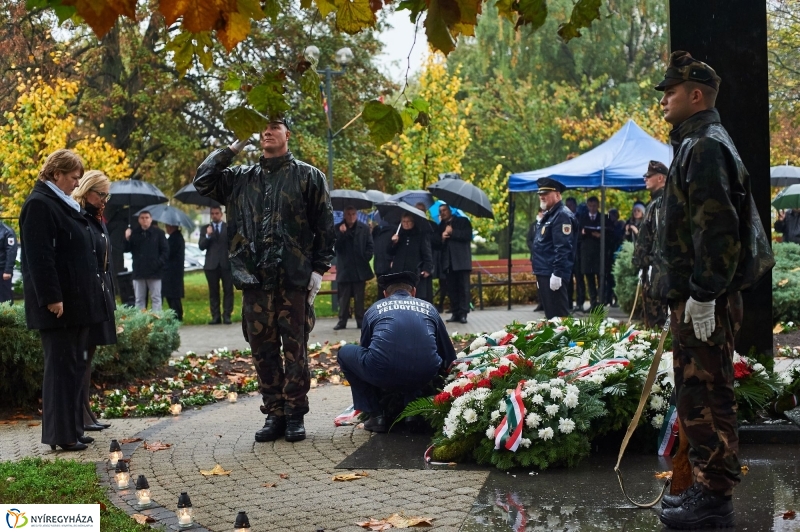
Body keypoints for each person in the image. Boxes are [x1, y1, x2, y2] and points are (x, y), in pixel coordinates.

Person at [653, 51, 767, 529]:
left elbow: (716, 231)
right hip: (699, 297)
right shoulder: (697, 143)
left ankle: (715, 498)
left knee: (707, 395)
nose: (663, 102)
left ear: (695, 96)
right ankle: (707, 488)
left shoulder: (704, 147)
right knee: (697, 393)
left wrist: (703, 294)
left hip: (707, 299)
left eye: (671, 93)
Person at [194, 115, 334, 443]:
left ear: (288, 133)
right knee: (262, 350)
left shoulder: (308, 176)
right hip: (254, 279)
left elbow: (324, 226)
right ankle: (274, 412)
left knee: (295, 349)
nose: (268, 132)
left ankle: (295, 413)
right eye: (263, 128)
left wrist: (317, 269)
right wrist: (232, 147)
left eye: (275, 126)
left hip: (293, 278)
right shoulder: (241, 178)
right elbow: (203, 180)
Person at [20, 149, 109, 451]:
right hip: (58, 308)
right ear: (56, 174)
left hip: (77, 306)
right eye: (73, 177)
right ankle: (61, 435)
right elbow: (39, 257)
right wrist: (52, 297)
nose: (76, 183)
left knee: (73, 368)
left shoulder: (62, 204)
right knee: (60, 371)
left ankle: (74, 428)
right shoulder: (39, 205)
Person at [337, 271, 457, 432]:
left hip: (382, 373)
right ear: (413, 292)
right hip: (424, 373)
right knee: (417, 354)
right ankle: (413, 411)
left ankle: (375, 415)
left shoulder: (374, 309)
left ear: (385, 294)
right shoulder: (429, 308)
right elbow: (448, 354)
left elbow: (366, 348)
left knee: (345, 353)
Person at [71, 170, 116, 432]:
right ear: (87, 190)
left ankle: (85, 409)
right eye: (101, 194)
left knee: (89, 355)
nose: (104, 200)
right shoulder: (79, 217)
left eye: (106, 195)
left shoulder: (97, 219)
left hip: (100, 294)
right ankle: (80, 412)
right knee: (82, 356)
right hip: (87, 295)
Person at [531, 178, 578, 318]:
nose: (541, 196)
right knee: (552, 317)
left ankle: (565, 340)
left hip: (553, 273)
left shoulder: (561, 215)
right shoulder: (551, 214)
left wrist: (557, 273)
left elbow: (563, 248)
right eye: (540, 193)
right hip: (545, 272)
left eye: (546, 193)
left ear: (557, 195)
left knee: (559, 317)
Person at [632, 161, 669, 329]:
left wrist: (650, 262)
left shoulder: (662, 203)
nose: (645, 179)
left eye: (649, 176)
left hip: (657, 272)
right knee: (650, 320)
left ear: (660, 178)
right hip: (650, 269)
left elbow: (659, 239)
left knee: (657, 322)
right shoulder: (654, 202)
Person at [333, 206, 374, 330]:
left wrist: (365, 257)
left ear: (356, 215)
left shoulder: (364, 228)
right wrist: (341, 234)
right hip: (345, 268)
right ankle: (342, 321)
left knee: (359, 297)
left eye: (353, 214)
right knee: (344, 298)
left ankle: (360, 321)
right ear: (344, 215)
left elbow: (370, 246)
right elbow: (335, 247)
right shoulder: (338, 228)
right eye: (348, 214)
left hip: (359, 268)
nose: (351, 216)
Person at [434, 204, 472, 323]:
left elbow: (467, 236)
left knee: (463, 288)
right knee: (451, 289)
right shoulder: (441, 226)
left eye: (445, 210)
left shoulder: (463, 221)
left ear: (450, 211)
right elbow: (436, 244)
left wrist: (452, 232)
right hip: (448, 263)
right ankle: (455, 312)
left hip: (461, 262)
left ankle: (463, 313)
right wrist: (442, 238)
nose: (443, 213)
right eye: (441, 211)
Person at [124, 211, 169, 311]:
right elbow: (127, 249)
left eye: (147, 217)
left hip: (155, 271)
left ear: (151, 219)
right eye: (142, 218)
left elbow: (165, 251)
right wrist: (127, 238)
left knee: (156, 298)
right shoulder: (135, 233)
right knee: (139, 299)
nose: (144, 220)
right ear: (139, 220)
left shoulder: (158, 233)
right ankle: (141, 322)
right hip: (139, 271)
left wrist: (158, 263)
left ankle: (156, 321)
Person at [199, 206, 233, 324]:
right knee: (213, 292)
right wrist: (208, 236)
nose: (214, 215)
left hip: (226, 264)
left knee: (228, 290)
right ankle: (216, 316)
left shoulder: (228, 227)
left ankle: (227, 315)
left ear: (221, 214)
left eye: (216, 213)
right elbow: (201, 246)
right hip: (211, 265)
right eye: (212, 213)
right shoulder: (206, 228)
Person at [388, 213, 433, 301]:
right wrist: (393, 242)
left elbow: (427, 253)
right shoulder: (398, 234)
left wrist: (427, 268)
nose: (406, 223)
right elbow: (389, 252)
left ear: (413, 222)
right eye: (404, 221)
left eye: (408, 221)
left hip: (414, 270)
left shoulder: (420, 235)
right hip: (399, 270)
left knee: (414, 295)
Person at [577, 196, 605, 310]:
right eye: (590, 206)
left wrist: (596, 234)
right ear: (587, 206)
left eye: (594, 206)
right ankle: (593, 304)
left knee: (601, 279)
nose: (592, 208)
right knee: (590, 280)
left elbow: (608, 234)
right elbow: (577, 235)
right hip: (587, 255)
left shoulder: (603, 217)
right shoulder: (582, 218)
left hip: (599, 255)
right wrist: (587, 234)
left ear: (598, 205)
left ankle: (601, 303)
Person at [163, 224, 185, 321]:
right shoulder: (176, 237)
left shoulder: (175, 239)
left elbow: (168, 252)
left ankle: (177, 317)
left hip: (173, 273)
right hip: (174, 272)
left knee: (173, 297)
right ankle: (176, 316)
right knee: (173, 297)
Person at [371, 218, 395, 301]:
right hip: (378, 263)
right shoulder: (376, 230)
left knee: (390, 288)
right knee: (381, 289)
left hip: (389, 263)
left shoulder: (394, 229)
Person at [0, 220, 17, 304]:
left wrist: (8, 271)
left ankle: (8, 316)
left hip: (2, 271)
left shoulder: (7, 231)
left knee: (5, 298)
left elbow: (11, 252)